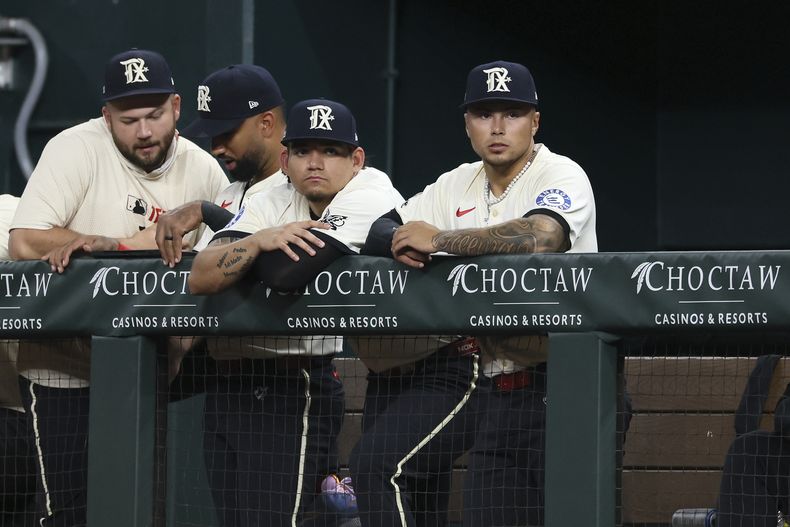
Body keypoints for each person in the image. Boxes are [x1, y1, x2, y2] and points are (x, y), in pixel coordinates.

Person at [362, 60, 597, 526]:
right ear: (467, 123)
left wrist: (442, 241)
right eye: (483, 113)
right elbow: (383, 226)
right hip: (499, 391)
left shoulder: (561, 173)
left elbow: (543, 236)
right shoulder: (454, 184)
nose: (497, 126)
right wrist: (397, 237)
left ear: (535, 121)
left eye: (511, 113)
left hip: (572, 385)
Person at [7, 49, 226, 526]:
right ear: (106, 118)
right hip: (59, 367)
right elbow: (24, 239)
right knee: (68, 513)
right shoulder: (76, 148)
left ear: (176, 107)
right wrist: (93, 242)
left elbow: (221, 268)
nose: (144, 131)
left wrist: (118, 250)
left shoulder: (204, 172)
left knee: (137, 509)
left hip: (145, 371)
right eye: (128, 120)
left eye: (154, 115)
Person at [188, 98, 403, 527]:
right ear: (285, 158)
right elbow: (201, 275)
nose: (315, 162)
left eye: (331, 151)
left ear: (356, 159)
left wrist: (250, 253)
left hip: (299, 380)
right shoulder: (272, 197)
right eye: (303, 150)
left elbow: (286, 274)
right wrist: (258, 240)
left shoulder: (370, 190)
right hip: (231, 383)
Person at [155, 64, 289, 267]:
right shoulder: (229, 194)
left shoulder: (307, 187)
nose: (215, 149)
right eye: (212, 136)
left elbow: (280, 263)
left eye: (227, 133)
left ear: (266, 123)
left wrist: (207, 213)